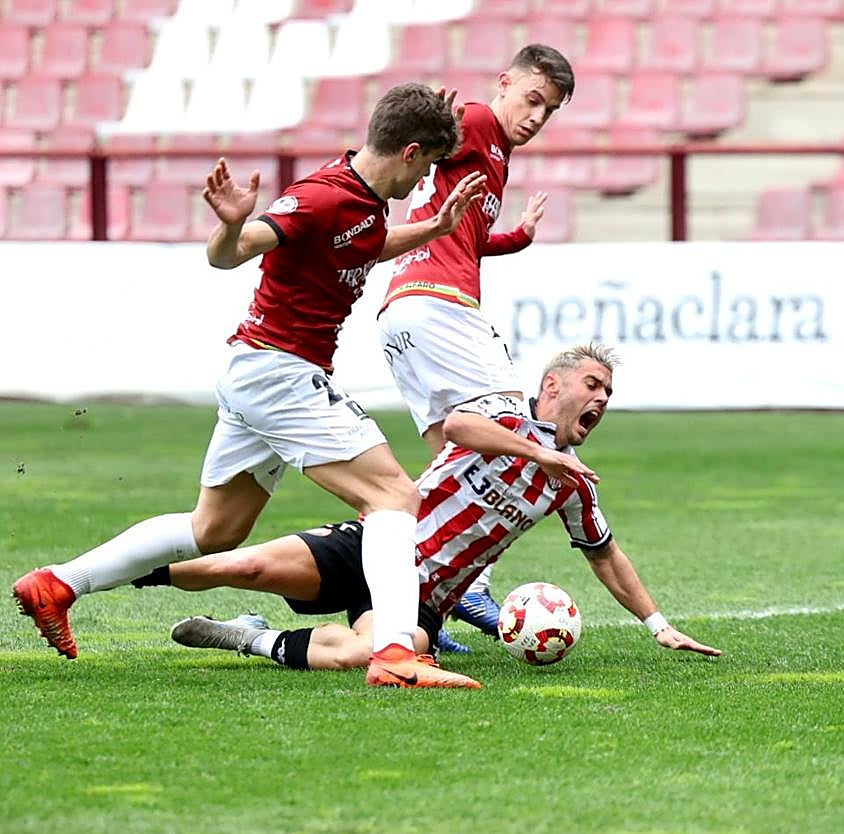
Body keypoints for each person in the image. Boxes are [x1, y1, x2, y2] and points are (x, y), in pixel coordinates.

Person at [12, 83, 488, 691]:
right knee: (393, 497)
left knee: (214, 530)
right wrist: (232, 226)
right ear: (410, 151)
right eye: (425, 168)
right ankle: (395, 654)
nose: (423, 181)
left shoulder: (366, 202)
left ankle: (57, 583)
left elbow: (364, 245)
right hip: (279, 372)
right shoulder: (320, 197)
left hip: (258, 371)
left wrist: (432, 227)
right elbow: (231, 254)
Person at [152, 344, 722, 670]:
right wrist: (539, 453)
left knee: (366, 657)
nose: (601, 399)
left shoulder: (574, 484)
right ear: (552, 385)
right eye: (593, 385)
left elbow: (607, 556)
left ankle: (246, 637)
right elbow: (455, 425)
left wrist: (659, 625)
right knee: (230, 564)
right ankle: (92, 577)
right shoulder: (501, 413)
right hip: (374, 544)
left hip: (426, 597)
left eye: (608, 395)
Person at [379, 44, 576, 635]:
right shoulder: (480, 123)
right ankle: (472, 587)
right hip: (441, 305)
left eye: (551, 109)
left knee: (453, 465)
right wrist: (438, 122)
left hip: (402, 313)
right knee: (513, 430)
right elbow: (444, 125)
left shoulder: (497, 157)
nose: (538, 116)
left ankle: (411, 594)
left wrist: (517, 236)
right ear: (505, 84)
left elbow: (468, 236)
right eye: (533, 98)